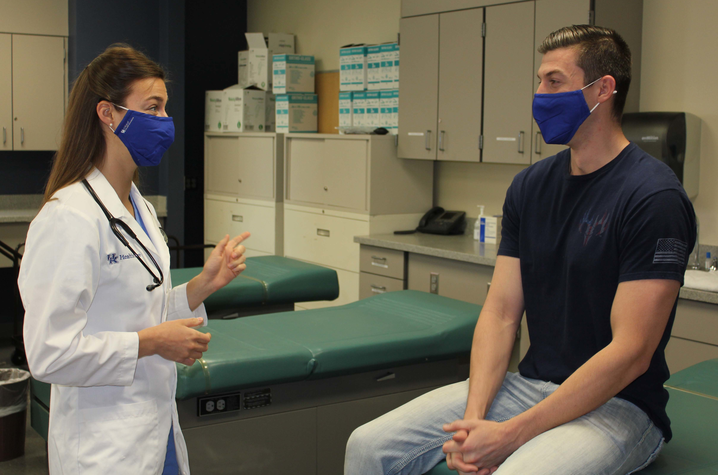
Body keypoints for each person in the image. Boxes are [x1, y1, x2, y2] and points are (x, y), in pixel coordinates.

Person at [344, 25, 696, 475]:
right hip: (530, 386)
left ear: (603, 89)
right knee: (368, 446)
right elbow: (501, 313)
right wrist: (474, 421)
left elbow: (631, 351)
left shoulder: (652, 197)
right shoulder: (530, 187)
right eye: (539, 81)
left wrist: (511, 434)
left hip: (619, 406)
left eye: (554, 82)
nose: (540, 95)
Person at [18, 44, 250, 474]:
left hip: (154, 430)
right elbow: (48, 354)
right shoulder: (69, 217)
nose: (165, 123)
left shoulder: (136, 206)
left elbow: (139, 310)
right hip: (103, 446)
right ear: (108, 114)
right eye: (153, 107)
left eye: (165, 109)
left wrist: (204, 284)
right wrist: (153, 343)